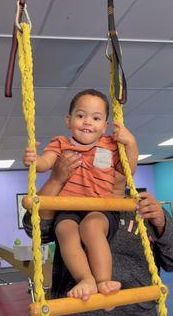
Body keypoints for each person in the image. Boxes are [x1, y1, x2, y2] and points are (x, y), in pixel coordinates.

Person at [22, 153, 173, 316]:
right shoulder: (70, 200)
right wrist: (56, 179)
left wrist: (161, 222)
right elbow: (34, 228)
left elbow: (171, 261)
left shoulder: (141, 205)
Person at [23, 89, 138, 300]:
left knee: (91, 226)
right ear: (68, 121)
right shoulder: (60, 143)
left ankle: (104, 281)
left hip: (100, 209)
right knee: (65, 230)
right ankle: (86, 278)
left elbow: (128, 171)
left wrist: (131, 143)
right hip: (69, 208)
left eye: (95, 118)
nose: (87, 122)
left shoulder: (110, 146)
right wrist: (34, 159)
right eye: (80, 116)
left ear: (104, 126)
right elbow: (44, 164)